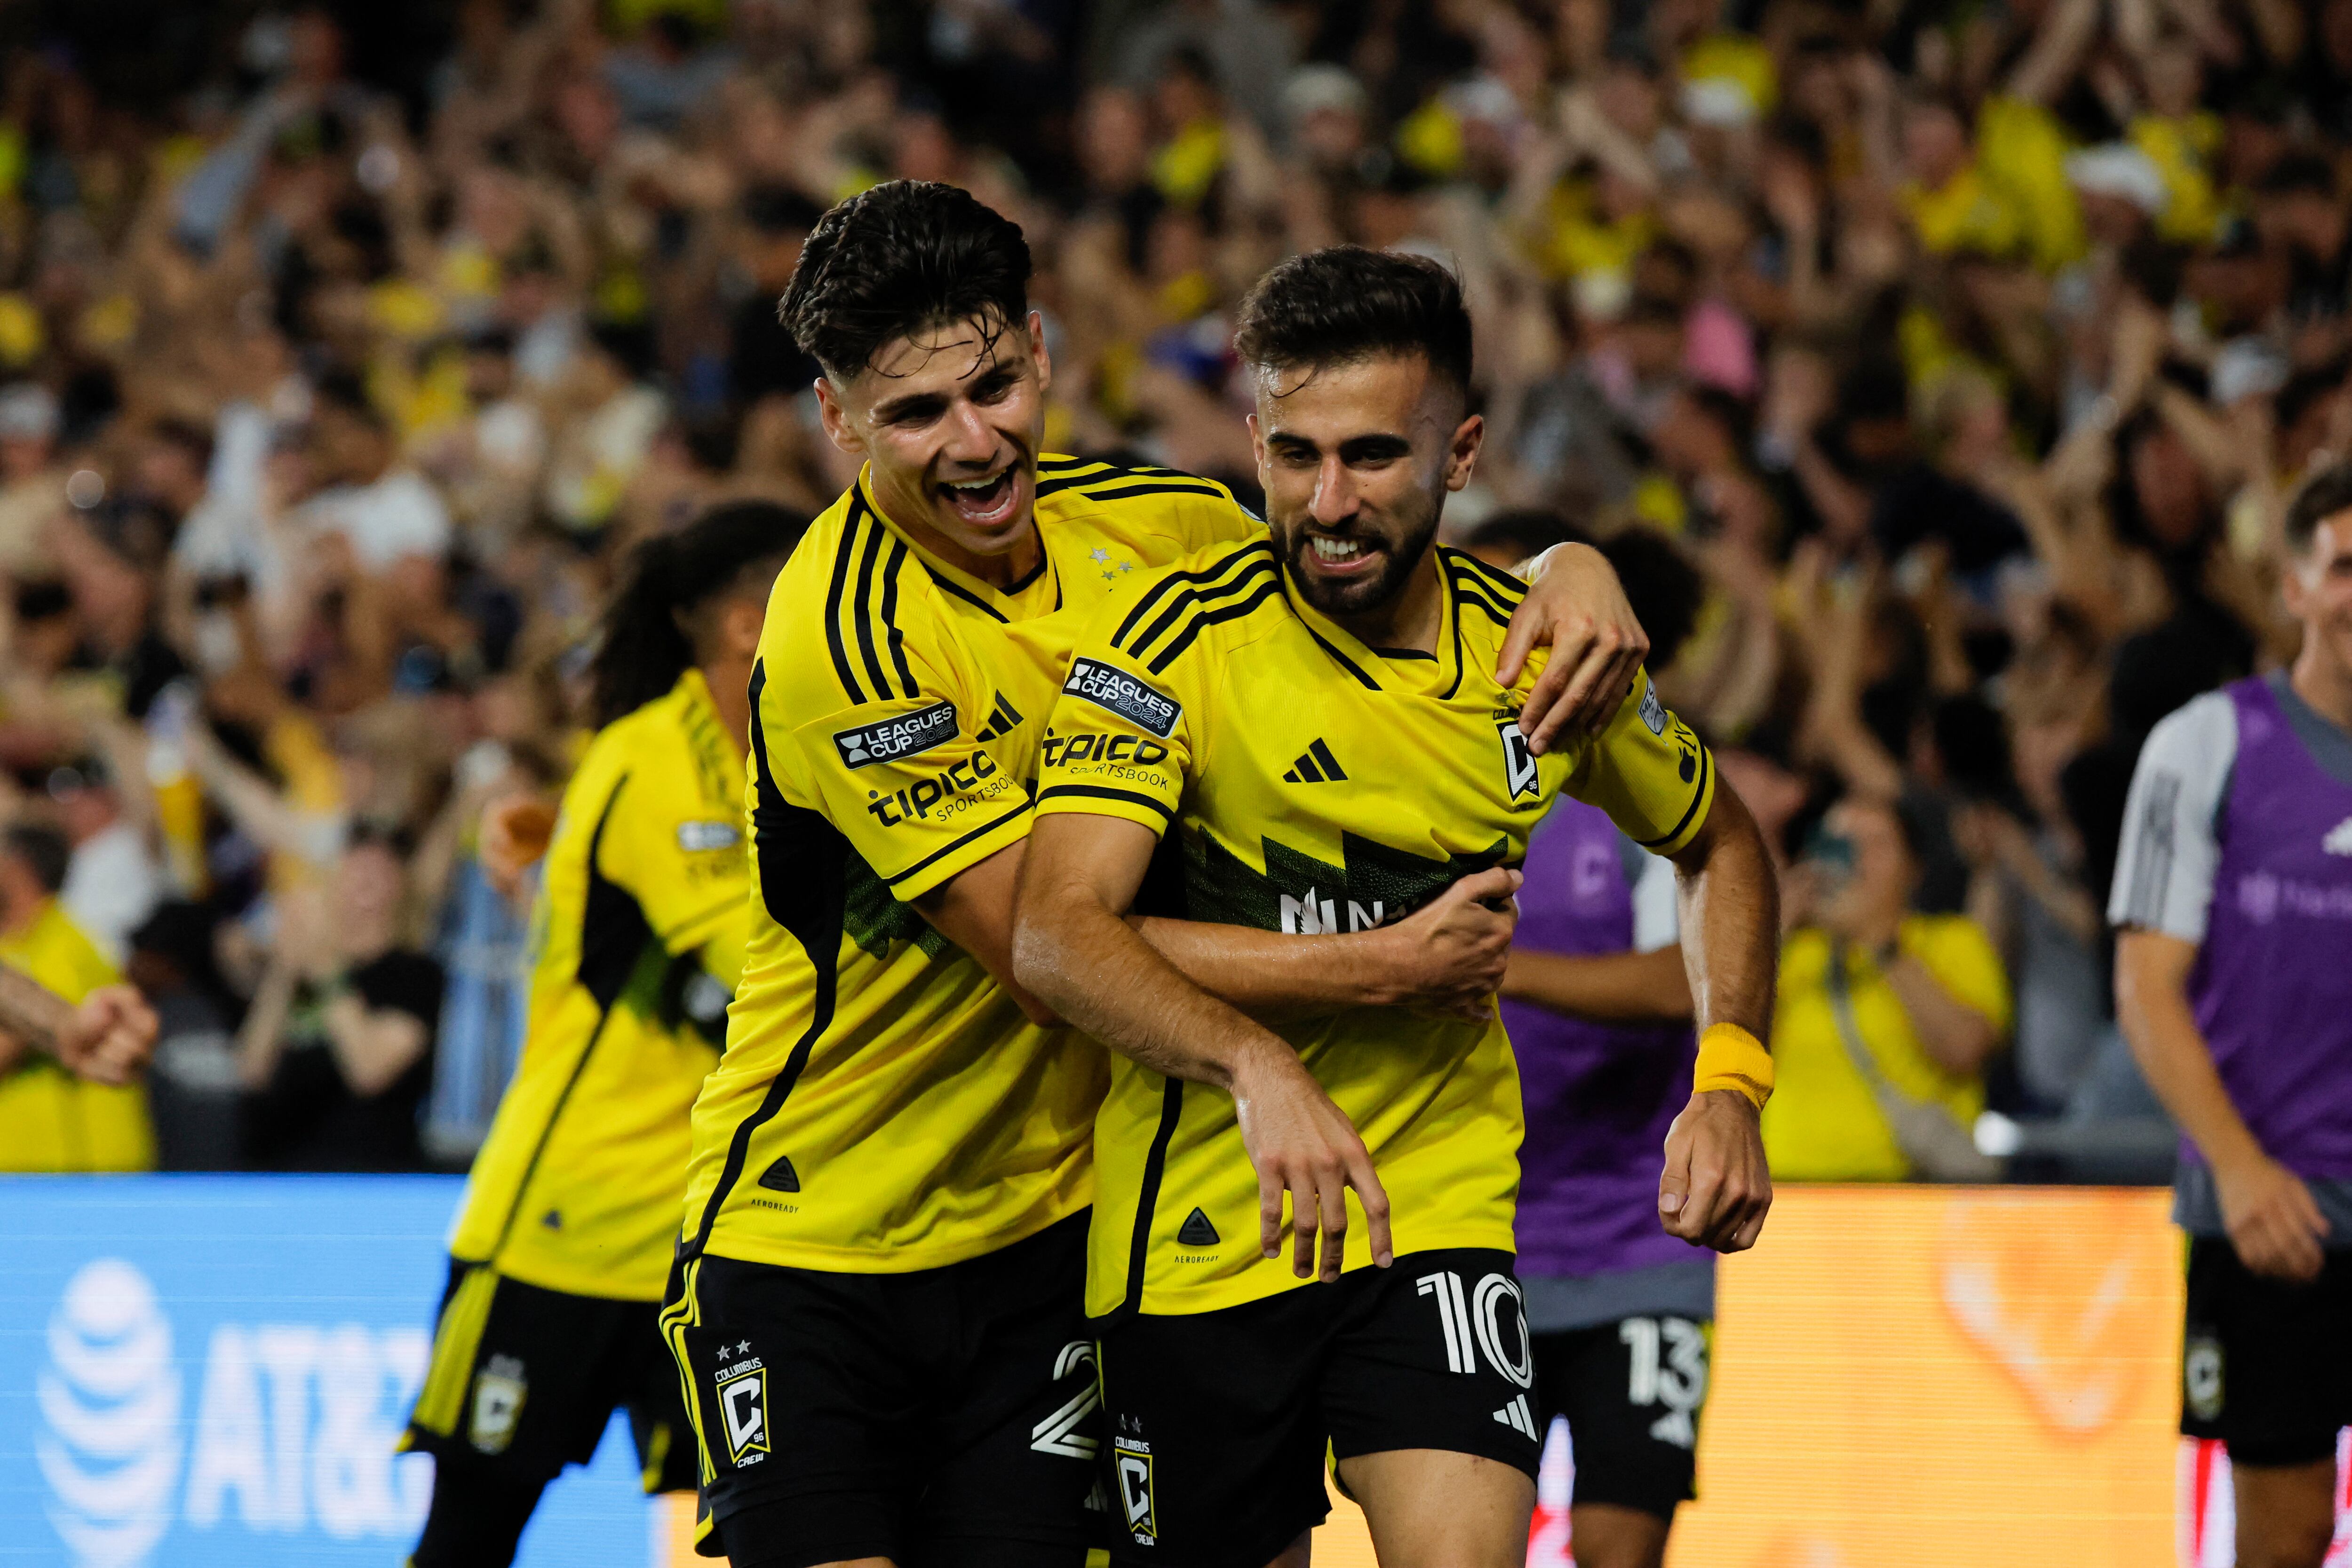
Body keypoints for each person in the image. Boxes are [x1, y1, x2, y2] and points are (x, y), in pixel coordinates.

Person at [661, 181, 1652, 1568]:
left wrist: (1564, 559)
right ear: (836, 424)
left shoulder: (1159, 527)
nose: (974, 440)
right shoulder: (849, 642)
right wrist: (1348, 988)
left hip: (1048, 1238)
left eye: (994, 384)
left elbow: (1362, 539)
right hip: (817, 1239)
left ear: (1040, 351)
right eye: (913, 414)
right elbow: (1050, 953)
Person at [1009, 247, 1780, 1568]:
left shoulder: (1533, 652)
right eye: (1295, 453)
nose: (1329, 501)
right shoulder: (1169, 643)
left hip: (1435, 1210)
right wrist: (1368, 972)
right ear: (1251, 440)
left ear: (1461, 451)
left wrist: (1731, 1078)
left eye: (1373, 454)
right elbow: (1057, 933)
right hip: (1203, 1228)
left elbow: (1720, 839)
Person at [402, 502, 803, 1568]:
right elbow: (752, 970)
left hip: (714, 1233)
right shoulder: (654, 759)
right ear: (749, 623)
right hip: (571, 1221)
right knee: (470, 1536)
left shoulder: (787, 758)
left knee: (763, 1534)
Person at [2112, 463, 2352, 1568]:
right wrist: (2242, 1170)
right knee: (2285, 1535)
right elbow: (2146, 986)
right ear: (2294, 587)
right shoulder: (2205, 746)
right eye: (2344, 567)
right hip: (2271, 1214)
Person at [1497, 540, 1716, 1568]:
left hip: (1638, 1244)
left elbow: (1684, 978)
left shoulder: (1629, 782)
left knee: (1620, 1549)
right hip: (1474, 1242)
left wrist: (1509, 969)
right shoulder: (1409, 776)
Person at [1760, 795, 2011, 1181]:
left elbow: (1964, 1049)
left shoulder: (1951, 941)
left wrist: (1879, 942)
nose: (1854, 859)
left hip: (1911, 1194)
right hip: (1790, 1194)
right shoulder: (1792, 955)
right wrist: (1772, 933)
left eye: (1875, 844)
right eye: (1839, 842)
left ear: (1913, 869)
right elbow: (1723, 1043)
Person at [235, 825, 446, 1171]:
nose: (361, 883)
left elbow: (370, 1071)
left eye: (376, 874)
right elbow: (251, 1071)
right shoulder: (301, 972)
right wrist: (285, 969)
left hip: (365, 1179)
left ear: (399, 887)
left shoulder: (415, 975)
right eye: (353, 871)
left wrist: (324, 967)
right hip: (275, 1173)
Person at [0, 821, 159, 1171]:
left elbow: (14, 1045)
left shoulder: (63, 944)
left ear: (18, 867)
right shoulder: (19, 945)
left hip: (75, 1180)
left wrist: (63, 1026)